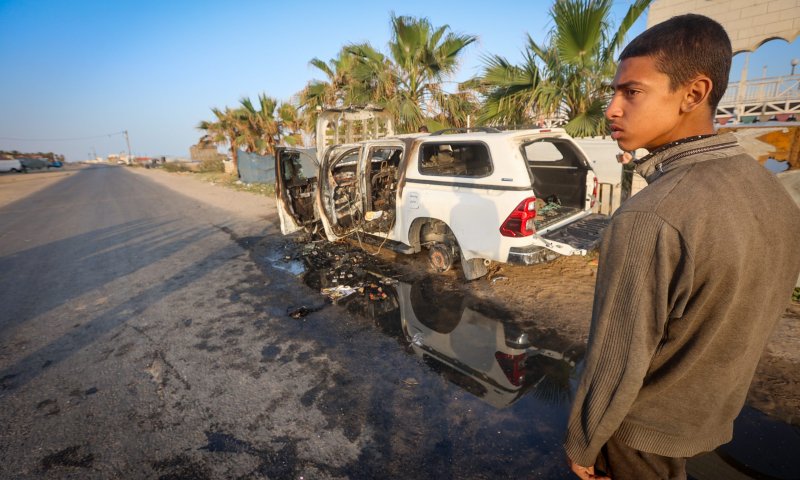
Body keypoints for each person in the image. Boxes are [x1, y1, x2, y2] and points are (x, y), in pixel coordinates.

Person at [564, 14, 800, 480]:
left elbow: (619, 355)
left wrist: (583, 443)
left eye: (631, 92)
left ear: (693, 93)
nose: (611, 108)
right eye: (614, 92)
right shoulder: (768, 190)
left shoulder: (652, 216)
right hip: (711, 415)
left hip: (640, 437)